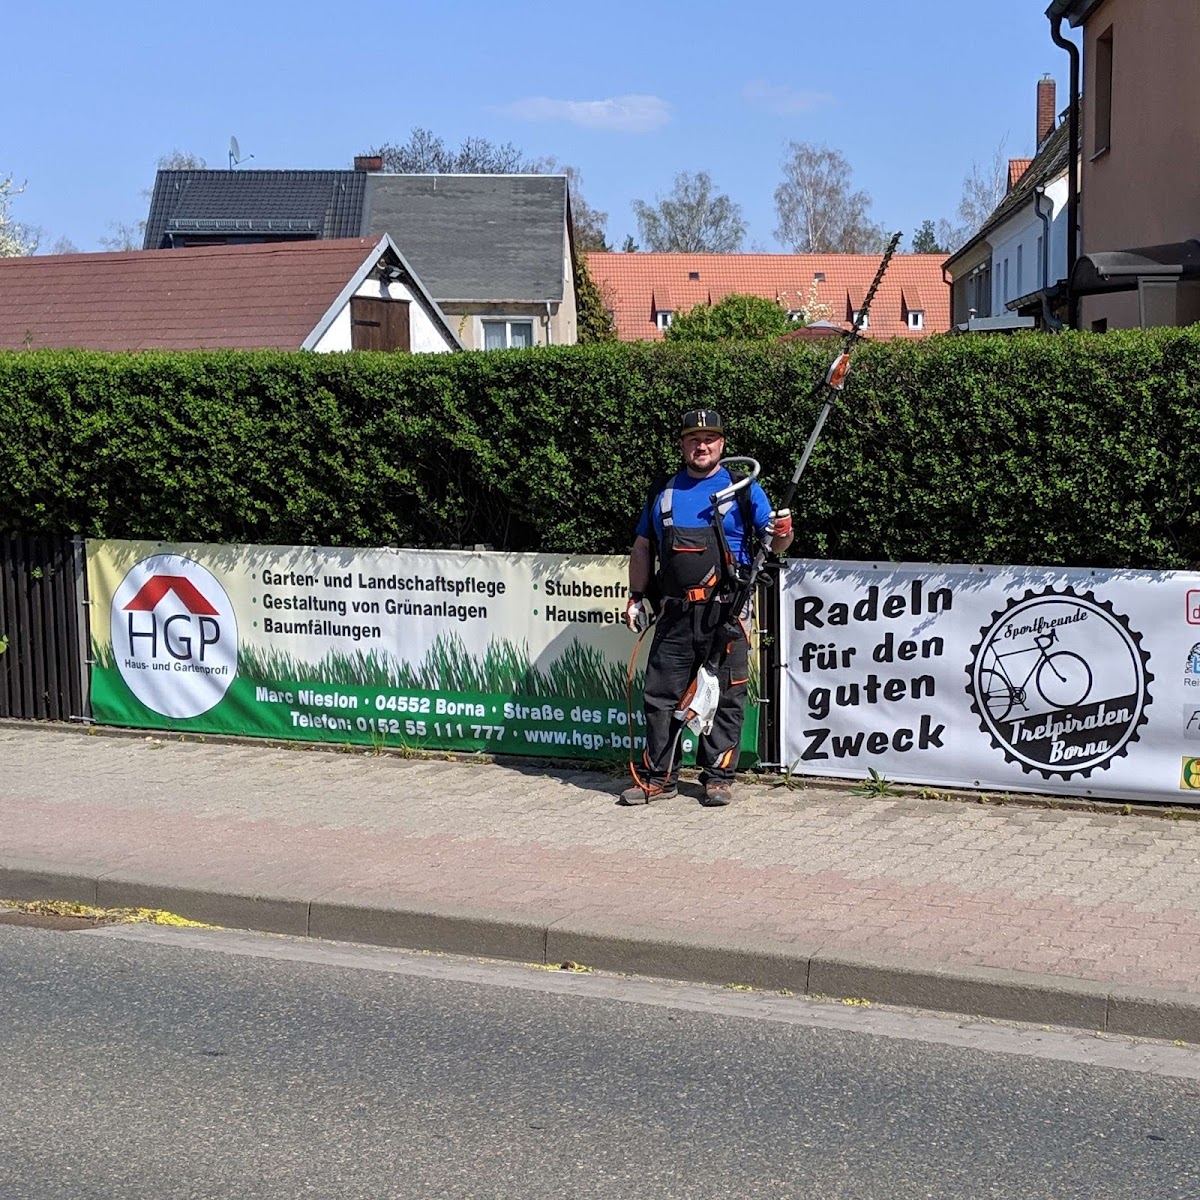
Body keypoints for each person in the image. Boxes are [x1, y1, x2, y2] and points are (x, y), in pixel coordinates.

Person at [622, 409, 793, 807]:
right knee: (661, 697)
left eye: (709, 439)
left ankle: (718, 778)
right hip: (674, 614)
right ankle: (659, 778)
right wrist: (636, 595)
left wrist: (785, 531)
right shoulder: (663, 491)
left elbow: (776, 542)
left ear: (722, 444)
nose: (702, 446)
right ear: (682, 445)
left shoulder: (744, 489)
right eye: (693, 440)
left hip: (728, 612)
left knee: (726, 696)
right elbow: (643, 546)